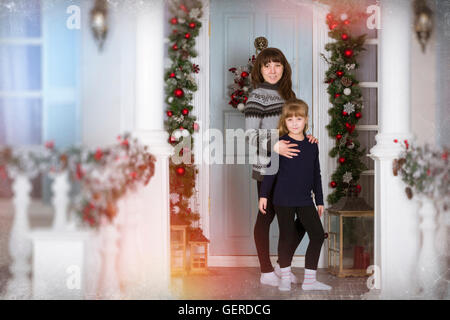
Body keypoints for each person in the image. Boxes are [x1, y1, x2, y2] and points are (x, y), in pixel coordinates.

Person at [244, 47, 318, 286]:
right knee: (267, 217)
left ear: (284, 68)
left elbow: (294, 126)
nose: (272, 70)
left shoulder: (288, 94)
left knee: (303, 217)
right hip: (268, 167)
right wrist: (274, 147)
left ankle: (281, 264)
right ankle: (266, 271)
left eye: (277, 65)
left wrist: (308, 138)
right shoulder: (256, 97)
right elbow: (249, 134)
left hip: (291, 169)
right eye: (267, 66)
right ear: (260, 70)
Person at [259, 99, 332, 291]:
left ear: (305, 120)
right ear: (285, 121)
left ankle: (310, 280)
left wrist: (320, 199)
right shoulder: (280, 143)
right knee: (286, 236)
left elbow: (316, 173)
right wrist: (264, 195)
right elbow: (270, 170)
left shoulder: (312, 145)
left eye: (298, 119)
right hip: (283, 199)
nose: (294, 123)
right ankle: (284, 277)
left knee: (317, 234)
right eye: (290, 119)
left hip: (305, 199)